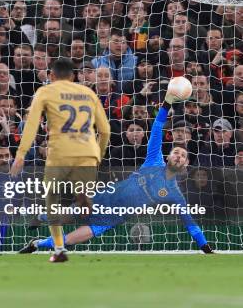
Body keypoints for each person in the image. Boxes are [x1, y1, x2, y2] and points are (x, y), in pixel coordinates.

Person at [20, 97, 214, 255]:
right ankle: (41, 216)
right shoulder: (155, 159)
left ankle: (37, 244)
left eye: (182, 156)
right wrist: (167, 103)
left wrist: (205, 248)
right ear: (168, 155)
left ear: (185, 164)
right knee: (61, 218)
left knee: (68, 241)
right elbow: (156, 127)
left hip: (115, 217)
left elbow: (190, 224)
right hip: (106, 197)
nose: (178, 156)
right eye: (176, 152)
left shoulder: (174, 193)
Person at [10, 57, 111, 263]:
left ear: (52, 76)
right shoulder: (89, 93)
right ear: (73, 76)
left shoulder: (45, 92)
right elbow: (105, 130)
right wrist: (98, 156)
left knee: (52, 200)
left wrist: (21, 154)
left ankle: (58, 250)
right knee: (81, 194)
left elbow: (32, 125)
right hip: (88, 152)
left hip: (60, 152)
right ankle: (82, 194)